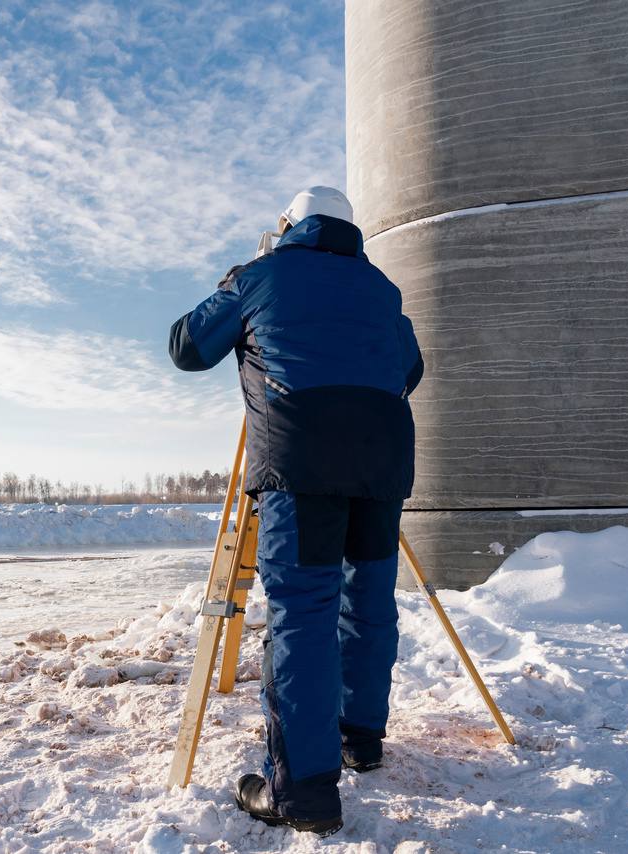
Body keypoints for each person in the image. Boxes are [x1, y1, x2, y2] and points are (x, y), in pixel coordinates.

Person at [167, 186, 423, 836]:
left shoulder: (261, 276)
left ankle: (303, 791)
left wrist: (240, 285)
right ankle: (361, 740)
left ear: (290, 226)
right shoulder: (382, 288)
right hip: (382, 458)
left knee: (303, 614)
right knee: (366, 600)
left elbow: (187, 347)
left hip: (303, 458)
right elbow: (411, 366)